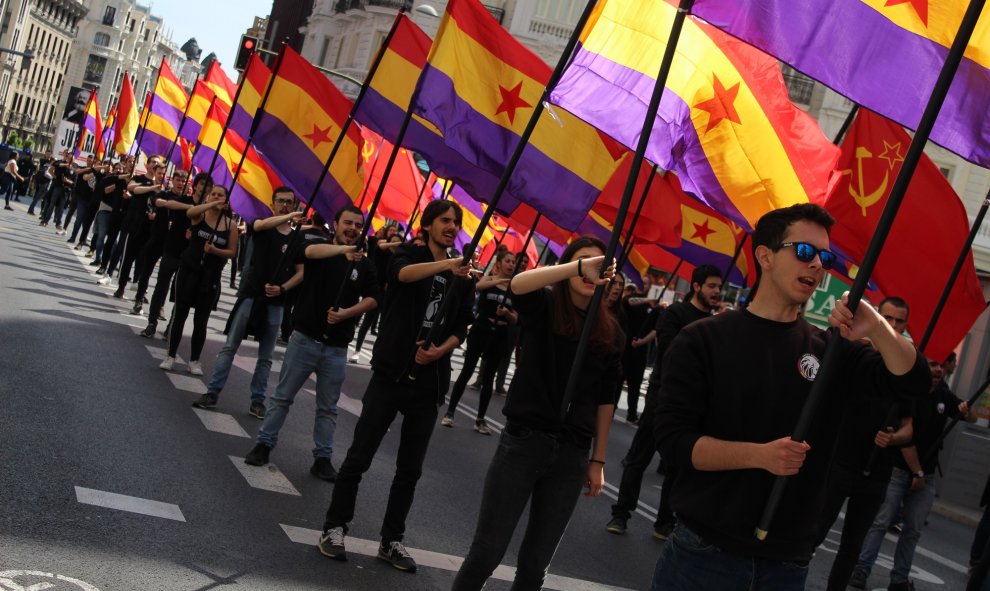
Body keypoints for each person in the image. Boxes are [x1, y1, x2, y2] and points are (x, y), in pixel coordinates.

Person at [650, 203, 929, 590]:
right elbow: (674, 442)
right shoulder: (703, 339)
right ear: (765, 255)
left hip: (788, 563)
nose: (817, 265)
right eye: (804, 252)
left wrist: (878, 327)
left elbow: (913, 381)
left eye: (825, 257)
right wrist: (760, 456)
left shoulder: (831, 351)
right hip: (704, 553)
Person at [450, 235, 622, 590]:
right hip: (524, 444)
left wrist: (598, 461)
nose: (592, 270)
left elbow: (606, 399)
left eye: (599, 265)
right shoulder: (543, 305)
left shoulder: (611, 330)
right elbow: (518, 285)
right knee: (486, 553)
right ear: (569, 266)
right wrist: (577, 267)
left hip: (572, 455)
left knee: (534, 567)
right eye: (584, 262)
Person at [318, 200, 473, 572]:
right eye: (445, 221)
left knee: (409, 470)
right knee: (359, 457)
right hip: (391, 373)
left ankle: (392, 540)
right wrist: (448, 265)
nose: (451, 227)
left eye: (456, 222)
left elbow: (460, 328)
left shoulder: (463, 275)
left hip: (428, 383)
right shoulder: (409, 253)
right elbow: (403, 276)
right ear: (429, 224)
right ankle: (333, 527)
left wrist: (439, 351)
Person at [243, 205, 380, 480]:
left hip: (337, 348)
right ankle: (263, 444)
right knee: (282, 397)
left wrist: (347, 314)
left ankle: (323, 458)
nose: (352, 229)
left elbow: (374, 297)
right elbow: (309, 254)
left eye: (358, 225)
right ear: (336, 224)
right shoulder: (321, 248)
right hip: (305, 339)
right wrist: (343, 251)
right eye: (347, 223)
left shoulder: (365, 264)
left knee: (328, 408)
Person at [607, 264, 722, 539]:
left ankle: (664, 521)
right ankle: (620, 514)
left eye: (719, 287)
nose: (717, 292)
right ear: (696, 286)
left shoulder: (718, 325)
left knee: (676, 466)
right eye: (712, 286)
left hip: (694, 404)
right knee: (639, 458)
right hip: (664, 396)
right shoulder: (676, 314)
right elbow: (671, 352)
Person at [814, 297, 915, 591]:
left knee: (852, 546)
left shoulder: (903, 370)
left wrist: (894, 437)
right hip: (839, 463)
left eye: (899, 321)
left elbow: (910, 427)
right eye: (888, 318)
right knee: (814, 532)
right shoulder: (850, 353)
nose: (893, 325)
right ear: (875, 318)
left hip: (877, 473)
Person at [850, 358, 976, 591]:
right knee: (880, 522)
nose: (938, 369)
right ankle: (861, 569)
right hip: (899, 471)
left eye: (942, 365)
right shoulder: (909, 394)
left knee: (912, 531)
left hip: (926, 476)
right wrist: (916, 471)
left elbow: (972, 417)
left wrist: (966, 413)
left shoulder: (943, 395)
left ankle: (899, 580)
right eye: (932, 363)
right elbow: (906, 440)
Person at [191, 188, 306, 418]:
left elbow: (301, 272)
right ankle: (212, 392)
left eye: (289, 202)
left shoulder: (297, 238)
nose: (285, 205)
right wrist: (287, 218)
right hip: (251, 297)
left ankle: (257, 401)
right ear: (272, 204)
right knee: (229, 347)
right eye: (281, 201)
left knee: (265, 357)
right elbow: (259, 227)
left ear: (295, 206)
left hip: (276, 303)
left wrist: (283, 288)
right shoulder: (261, 224)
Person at [159, 185, 238, 375]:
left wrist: (215, 251)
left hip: (210, 277)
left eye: (221, 195)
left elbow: (232, 252)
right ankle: (170, 355)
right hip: (189, 271)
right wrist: (209, 204)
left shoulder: (230, 225)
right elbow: (191, 212)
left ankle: (194, 360)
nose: (217, 197)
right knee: (180, 315)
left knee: (201, 321)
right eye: (214, 194)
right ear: (209, 196)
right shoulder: (200, 216)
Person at [442, 249, 518, 434]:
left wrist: (507, 314)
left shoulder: (515, 288)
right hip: (481, 330)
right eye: (507, 261)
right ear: (499, 264)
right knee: (467, 370)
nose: (511, 265)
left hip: (499, 334)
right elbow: (478, 287)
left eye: (513, 262)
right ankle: (450, 412)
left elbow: (516, 318)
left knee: (488, 378)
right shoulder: (489, 279)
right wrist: (500, 280)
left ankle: (480, 419)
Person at [140, 173, 209, 336]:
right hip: (172, 250)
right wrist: (190, 208)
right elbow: (169, 204)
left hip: (190, 257)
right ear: (196, 185)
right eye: (202, 184)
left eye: (208, 185)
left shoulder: (209, 210)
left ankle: (172, 326)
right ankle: (152, 322)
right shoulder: (185, 200)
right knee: (161, 287)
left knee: (181, 294)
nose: (204, 187)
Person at [131, 170, 187, 314]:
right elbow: (156, 201)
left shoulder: (186, 200)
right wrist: (170, 204)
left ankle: (160, 305)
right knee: (146, 271)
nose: (180, 183)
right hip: (156, 238)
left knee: (165, 277)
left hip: (172, 244)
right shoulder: (164, 194)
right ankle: (139, 299)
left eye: (183, 181)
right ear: (172, 180)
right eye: (178, 180)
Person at [111, 162, 162, 297]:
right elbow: (132, 188)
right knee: (127, 258)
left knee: (144, 261)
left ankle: (139, 288)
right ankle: (121, 286)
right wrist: (152, 187)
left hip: (150, 230)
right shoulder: (140, 180)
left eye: (163, 173)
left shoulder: (164, 190)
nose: (161, 175)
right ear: (150, 167)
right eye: (155, 165)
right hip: (134, 226)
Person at [39, 151, 75, 232]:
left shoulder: (73, 168)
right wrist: (56, 177)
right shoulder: (61, 163)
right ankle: (45, 221)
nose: (70, 159)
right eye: (69, 157)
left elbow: (74, 181)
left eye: (72, 158)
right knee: (52, 205)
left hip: (66, 189)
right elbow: (55, 166)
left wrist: (68, 181)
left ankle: (58, 223)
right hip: (57, 187)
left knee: (61, 207)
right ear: (66, 157)